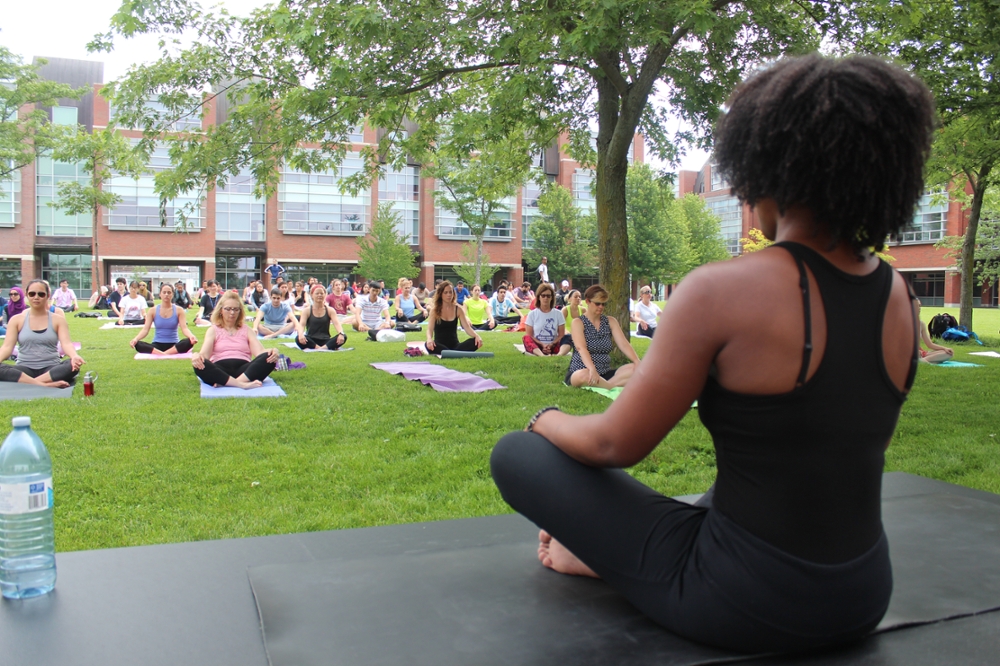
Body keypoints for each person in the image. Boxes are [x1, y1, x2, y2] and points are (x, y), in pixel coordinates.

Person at [491, 53, 933, 654]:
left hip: (744, 601)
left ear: (763, 162)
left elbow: (615, 443)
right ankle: (610, 559)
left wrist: (543, 420)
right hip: (860, 592)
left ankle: (610, 562)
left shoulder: (721, 289)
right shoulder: (899, 295)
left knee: (517, 455)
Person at [0, 279, 85, 387]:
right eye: (32, 294)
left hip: (51, 367)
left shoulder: (57, 320)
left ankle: (29, 382)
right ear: (27, 295)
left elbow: (66, 344)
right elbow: (7, 347)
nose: (36, 297)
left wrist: (74, 356)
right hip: (24, 368)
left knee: (71, 366)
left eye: (41, 294)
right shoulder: (17, 320)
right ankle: (43, 384)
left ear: (48, 296)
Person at [192, 291, 279, 389]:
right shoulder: (213, 330)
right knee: (199, 364)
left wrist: (273, 351)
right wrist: (196, 356)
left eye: (236, 309)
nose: (232, 312)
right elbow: (204, 355)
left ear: (240, 311)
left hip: (245, 371)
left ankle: (229, 383)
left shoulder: (247, 330)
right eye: (228, 309)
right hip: (220, 369)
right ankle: (241, 384)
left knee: (270, 358)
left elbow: (260, 352)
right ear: (221, 310)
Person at [130, 284, 198, 355]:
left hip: (174, 345)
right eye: (164, 292)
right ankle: (164, 353)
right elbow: (145, 329)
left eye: (169, 292)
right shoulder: (152, 310)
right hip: (157, 344)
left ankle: (163, 354)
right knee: (138, 344)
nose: (166, 295)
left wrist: (191, 336)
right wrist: (136, 339)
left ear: (172, 294)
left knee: (189, 342)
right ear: (160, 294)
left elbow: (184, 328)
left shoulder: (179, 310)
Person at [425, 280, 483, 355]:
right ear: (441, 294)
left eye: (450, 292)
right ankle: (454, 353)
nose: (449, 295)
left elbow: (467, 327)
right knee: (427, 344)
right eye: (445, 292)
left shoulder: (458, 309)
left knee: (474, 341)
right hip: (440, 346)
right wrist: (429, 339)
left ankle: (451, 353)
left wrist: (477, 336)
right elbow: (429, 329)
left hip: (455, 346)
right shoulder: (435, 310)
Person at [522, 282, 570, 356]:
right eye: (543, 295)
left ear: (552, 297)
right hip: (537, 346)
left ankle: (558, 355)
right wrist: (542, 344)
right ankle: (542, 356)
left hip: (554, 345)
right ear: (538, 297)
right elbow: (530, 335)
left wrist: (551, 344)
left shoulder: (558, 314)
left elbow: (561, 334)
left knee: (569, 337)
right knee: (526, 338)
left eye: (548, 296)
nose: (545, 298)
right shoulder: (532, 314)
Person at [296, 285, 348, 350]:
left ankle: (322, 348)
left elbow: (337, 323)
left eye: (321, 293)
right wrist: (301, 334)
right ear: (312, 295)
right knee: (298, 338)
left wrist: (341, 333)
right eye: (317, 293)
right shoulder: (306, 310)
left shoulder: (330, 310)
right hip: (311, 340)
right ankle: (321, 348)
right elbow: (302, 325)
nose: (319, 295)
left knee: (344, 336)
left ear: (325, 295)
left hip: (326, 340)